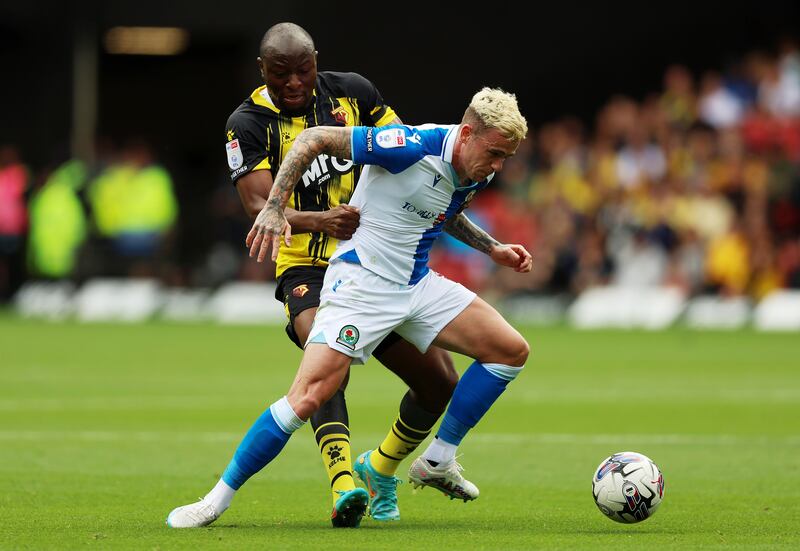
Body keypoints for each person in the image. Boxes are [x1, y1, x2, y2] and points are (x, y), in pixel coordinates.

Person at [167, 86, 532, 527]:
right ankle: (215, 499)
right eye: (494, 153)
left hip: (417, 285)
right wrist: (274, 209)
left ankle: (437, 459)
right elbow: (310, 140)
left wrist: (492, 249)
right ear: (468, 132)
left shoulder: (478, 165)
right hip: (361, 285)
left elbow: (439, 208)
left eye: (505, 158)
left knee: (510, 350)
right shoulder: (409, 145)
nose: (497, 166)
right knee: (308, 396)